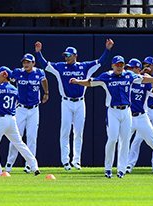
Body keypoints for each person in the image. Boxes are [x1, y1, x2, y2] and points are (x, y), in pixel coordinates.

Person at [69, 55, 153, 178]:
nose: (119, 67)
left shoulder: (129, 75)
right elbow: (91, 82)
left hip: (126, 111)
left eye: (121, 65)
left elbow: (142, 79)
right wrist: (78, 82)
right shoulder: (107, 76)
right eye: (117, 65)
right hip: (113, 111)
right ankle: (108, 168)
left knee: (125, 140)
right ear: (112, 65)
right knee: (112, 139)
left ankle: (121, 169)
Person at [35, 39, 114, 170]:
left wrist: (107, 49)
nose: (66, 57)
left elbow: (100, 62)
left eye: (68, 55)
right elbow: (45, 65)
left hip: (80, 102)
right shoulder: (60, 66)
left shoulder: (84, 66)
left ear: (75, 56)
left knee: (78, 132)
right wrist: (38, 53)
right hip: (66, 102)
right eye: (65, 55)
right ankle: (65, 161)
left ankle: (77, 160)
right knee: (65, 131)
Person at [0, 66, 40, 176]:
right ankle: (34, 166)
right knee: (19, 143)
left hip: (0, 119)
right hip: (12, 119)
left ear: (4, 75)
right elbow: (17, 102)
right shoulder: (15, 89)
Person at [5, 53, 49, 173]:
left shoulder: (39, 72)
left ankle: (30, 165)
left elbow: (44, 80)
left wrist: (46, 93)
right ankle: (9, 164)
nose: (26, 64)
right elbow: (8, 79)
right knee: (16, 136)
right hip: (21, 108)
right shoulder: (18, 72)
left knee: (32, 137)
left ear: (33, 63)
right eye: (24, 62)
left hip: (34, 109)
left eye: (28, 62)